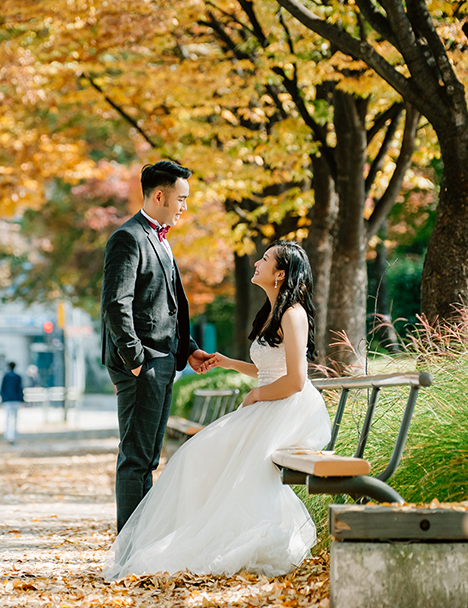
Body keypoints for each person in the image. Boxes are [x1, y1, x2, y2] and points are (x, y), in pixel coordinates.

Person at [102, 240, 331, 580]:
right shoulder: (273, 313)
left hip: (290, 409)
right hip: (273, 401)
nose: (257, 262)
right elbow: (270, 370)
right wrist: (228, 363)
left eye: (265, 259)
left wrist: (255, 397)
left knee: (206, 454)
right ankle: (195, 533)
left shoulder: (293, 314)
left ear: (280, 274)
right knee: (195, 456)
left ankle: (216, 538)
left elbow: (296, 380)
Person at [100, 160, 210, 532]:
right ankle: (128, 549)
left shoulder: (161, 240)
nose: (184, 206)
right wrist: (135, 359)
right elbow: (117, 303)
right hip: (142, 364)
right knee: (136, 458)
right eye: (181, 198)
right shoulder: (128, 238)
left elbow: (171, 304)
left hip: (165, 362)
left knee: (149, 459)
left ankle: (139, 543)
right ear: (159, 195)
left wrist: (187, 349)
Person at [0, 361, 25, 444]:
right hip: (16, 400)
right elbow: (20, 389)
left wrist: (2, 400)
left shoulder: (5, 376)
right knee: (15, 419)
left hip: (7, 400)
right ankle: (14, 435)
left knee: (7, 418)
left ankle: (8, 435)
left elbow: (2, 389)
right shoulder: (18, 377)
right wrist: (22, 400)